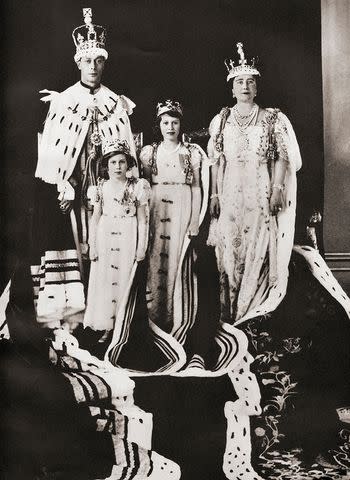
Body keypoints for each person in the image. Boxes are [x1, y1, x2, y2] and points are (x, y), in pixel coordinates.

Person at [31, 8, 136, 328]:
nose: (93, 66)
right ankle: (75, 315)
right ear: (78, 63)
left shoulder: (115, 103)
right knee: (76, 246)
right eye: (87, 61)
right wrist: (63, 183)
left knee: (106, 246)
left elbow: (126, 153)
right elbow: (52, 153)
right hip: (74, 189)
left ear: (104, 63)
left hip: (107, 190)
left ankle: (104, 315)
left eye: (99, 61)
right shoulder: (63, 102)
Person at [208, 42, 302, 325]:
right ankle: (230, 317)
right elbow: (216, 161)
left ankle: (253, 317)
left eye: (250, 81)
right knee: (230, 253)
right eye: (239, 82)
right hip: (230, 195)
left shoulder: (273, 119)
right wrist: (214, 195)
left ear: (257, 88)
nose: (245, 86)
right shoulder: (222, 120)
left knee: (258, 251)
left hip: (260, 193)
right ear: (232, 88)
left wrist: (277, 189)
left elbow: (282, 158)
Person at [140, 99, 208, 338]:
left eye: (175, 122)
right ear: (159, 125)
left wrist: (193, 221)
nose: (170, 127)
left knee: (179, 261)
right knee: (156, 261)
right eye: (165, 122)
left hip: (182, 206)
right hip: (158, 209)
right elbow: (145, 187)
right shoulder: (150, 153)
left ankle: (177, 317)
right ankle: (155, 317)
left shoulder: (191, 153)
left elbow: (197, 187)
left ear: (181, 125)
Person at [84, 140, 150, 341]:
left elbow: (142, 220)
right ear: (106, 165)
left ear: (128, 165)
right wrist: (92, 245)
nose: (117, 167)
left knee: (124, 279)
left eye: (122, 162)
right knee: (105, 281)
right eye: (113, 163)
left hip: (127, 236)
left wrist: (142, 248)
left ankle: (124, 325)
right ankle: (107, 326)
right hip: (105, 236)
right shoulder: (100, 188)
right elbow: (95, 218)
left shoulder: (137, 186)